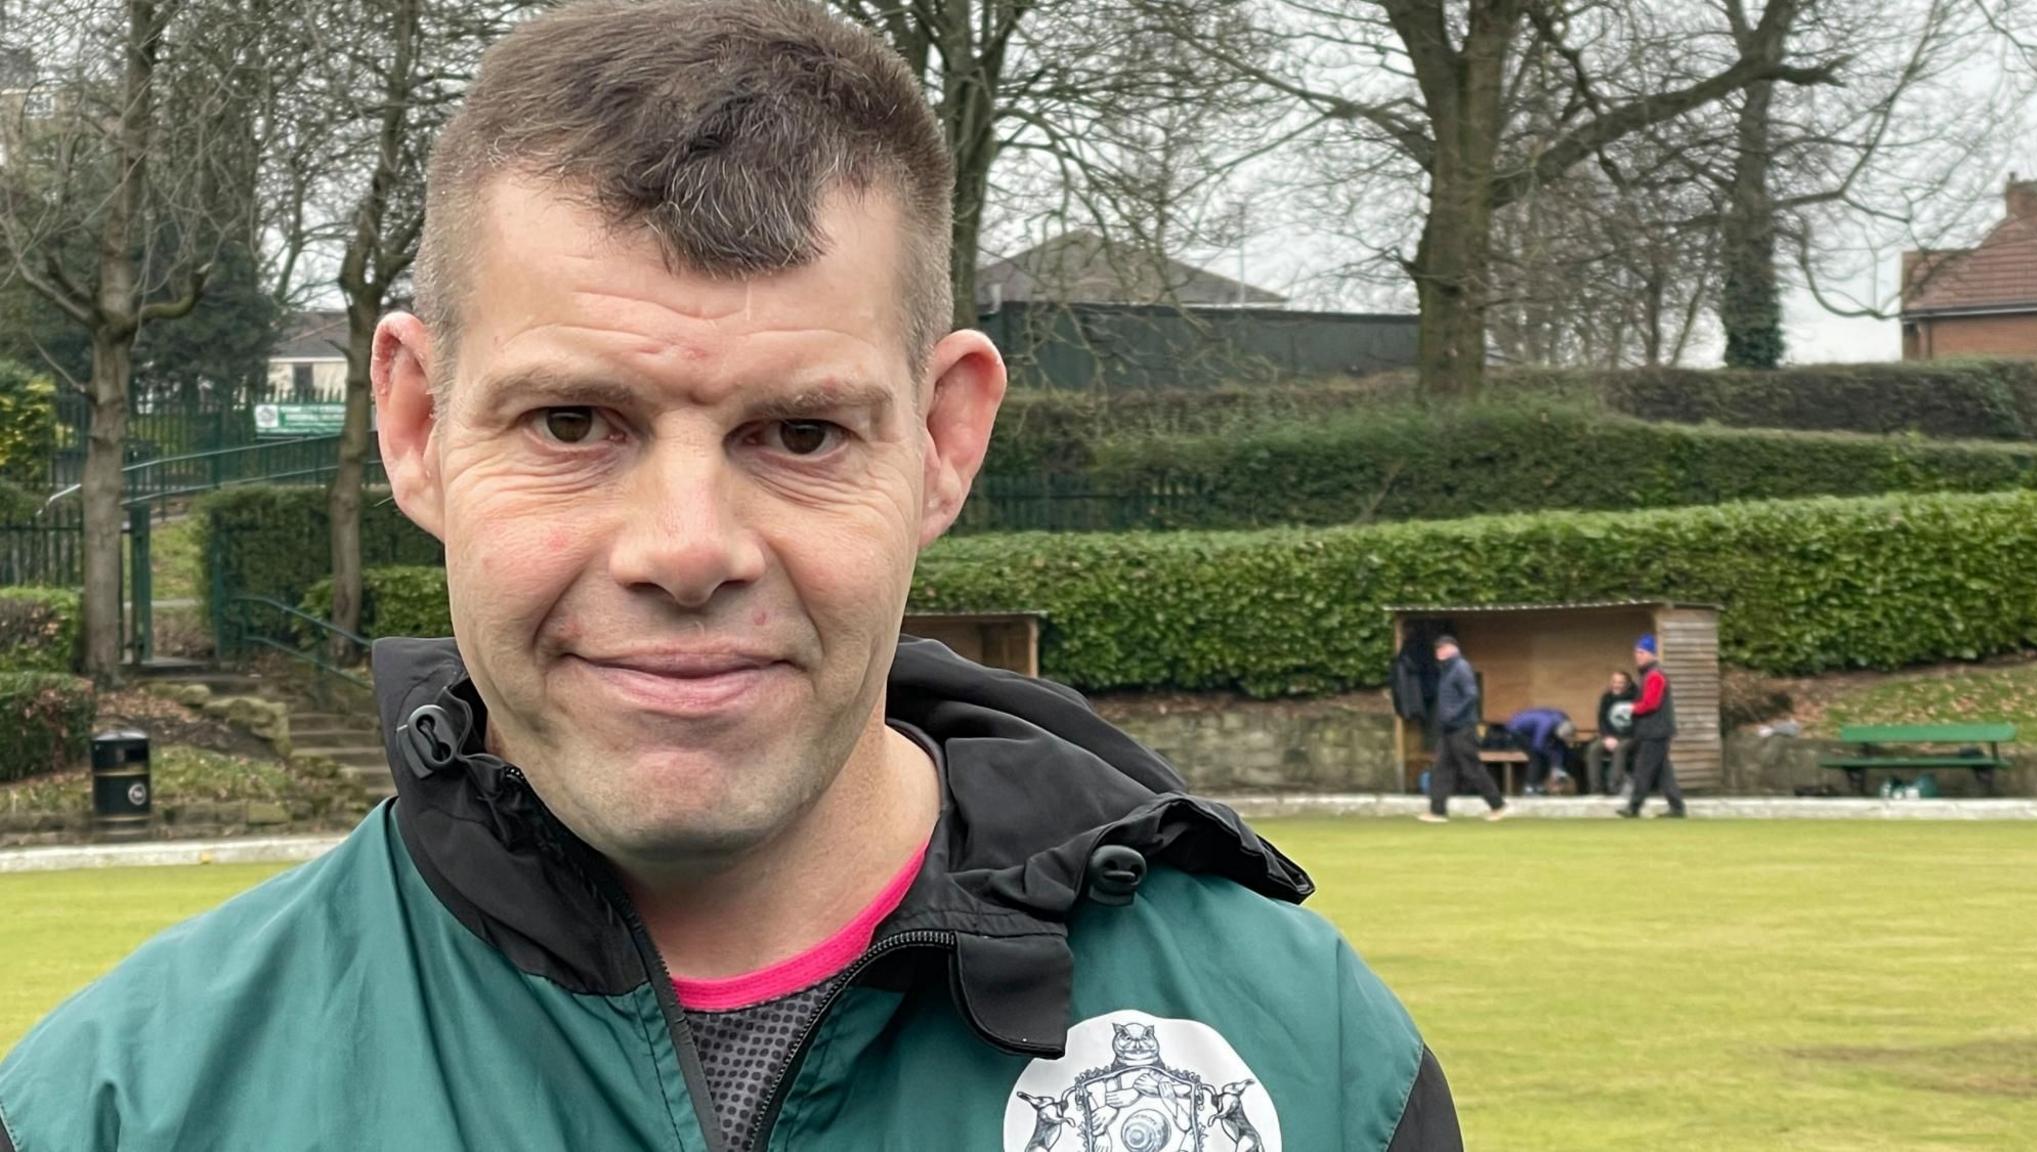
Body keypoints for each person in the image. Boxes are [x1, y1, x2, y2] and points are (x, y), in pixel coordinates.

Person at [0, 4, 1462, 1150]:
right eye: (574, 422)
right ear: (414, 423)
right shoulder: (120, 1111)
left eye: (801, 431)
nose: (687, 550)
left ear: (947, 439)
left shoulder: (1303, 1065)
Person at [1421, 635, 1509, 824]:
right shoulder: (1446, 670)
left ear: (1453, 649)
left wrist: (1453, 714)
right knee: (1441, 769)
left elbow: (1471, 695)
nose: (1439, 652)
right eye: (1437, 649)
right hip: (1448, 729)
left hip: (1462, 728)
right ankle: (1437, 811)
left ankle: (1498, 805)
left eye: (1443, 648)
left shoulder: (1460, 667)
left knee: (1472, 768)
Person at [1619, 635, 1687, 819]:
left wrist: (1631, 708)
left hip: (1655, 730)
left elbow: (1651, 704)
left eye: (1641, 652)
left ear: (1651, 654)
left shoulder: (1654, 675)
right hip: (1657, 729)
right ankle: (1677, 807)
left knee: (1643, 769)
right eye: (1636, 652)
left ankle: (1633, 807)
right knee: (1663, 771)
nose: (1637, 656)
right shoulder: (1651, 674)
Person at [1502, 707, 1578, 795]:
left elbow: (1559, 747)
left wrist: (1558, 766)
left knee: (1548, 754)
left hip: (1532, 733)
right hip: (1515, 731)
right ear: (1558, 732)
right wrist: (1552, 757)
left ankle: (1539, 786)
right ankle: (1529, 788)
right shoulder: (1546, 724)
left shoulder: (1563, 722)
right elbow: (1537, 745)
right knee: (1536, 756)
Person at [1588, 671, 1638, 796]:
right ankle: (1596, 789)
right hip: (1611, 736)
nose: (1617, 685)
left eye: (1621, 682)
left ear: (1628, 683)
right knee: (1593, 749)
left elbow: (1639, 722)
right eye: (1615, 682)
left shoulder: (1636, 697)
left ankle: (1614, 787)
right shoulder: (1607, 697)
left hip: (1631, 736)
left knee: (1620, 749)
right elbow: (1602, 720)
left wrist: (1621, 737)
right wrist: (1607, 737)